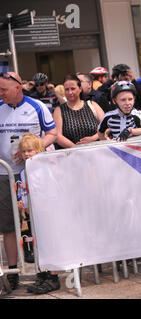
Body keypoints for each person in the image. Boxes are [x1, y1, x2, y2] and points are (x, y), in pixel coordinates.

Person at [0, 72, 57, 291]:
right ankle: (12, 273)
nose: (1, 93)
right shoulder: (0, 107)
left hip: (32, 173)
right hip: (4, 174)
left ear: (17, 88)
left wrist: (34, 149)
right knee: (7, 226)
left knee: (39, 222)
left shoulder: (37, 106)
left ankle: (46, 272)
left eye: (4, 89)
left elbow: (52, 132)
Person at [15, 134, 46, 264]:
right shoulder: (23, 172)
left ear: (38, 150)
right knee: (29, 231)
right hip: (28, 210)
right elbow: (21, 187)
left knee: (43, 234)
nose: (27, 154)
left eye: (30, 151)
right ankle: (31, 252)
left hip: (42, 208)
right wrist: (20, 199)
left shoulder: (44, 168)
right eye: (24, 151)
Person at [53, 74, 105, 149]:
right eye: (67, 89)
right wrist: (76, 148)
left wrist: (93, 138)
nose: (70, 92)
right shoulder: (59, 110)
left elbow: (106, 127)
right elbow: (58, 136)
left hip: (96, 151)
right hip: (72, 155)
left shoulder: (92, 105)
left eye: (73, 89)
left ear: (80, 89)